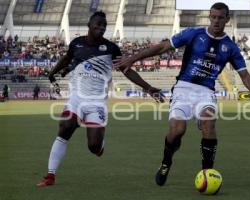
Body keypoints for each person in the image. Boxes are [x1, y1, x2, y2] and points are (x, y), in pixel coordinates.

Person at [114, 2, 250, 186]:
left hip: (206, 92)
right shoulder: (194, 34)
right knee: (177, 132)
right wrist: (132, 59)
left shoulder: (230, 47)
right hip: (183, 88)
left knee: (209, 124)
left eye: (220, 18)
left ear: (227, 19)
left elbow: (245, 75)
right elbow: (162, 48)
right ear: (209, 17)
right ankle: (166, 162)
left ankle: (207, 172)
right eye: (213, 17)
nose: (216, 21)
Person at [36, 11, 164, 187]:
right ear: (89, 25)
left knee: (94, 146)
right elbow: (66, 59)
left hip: (97, 103)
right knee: (65, 127)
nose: (101, 28)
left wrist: (148, 88)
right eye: (98, 24)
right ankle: (50, 175)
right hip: (76, 98)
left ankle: (99, 145)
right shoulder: (76, 44)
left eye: (104, 25)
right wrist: (52, 73)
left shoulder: (111, 49)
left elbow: (126, 70)